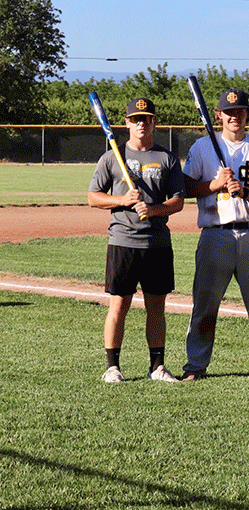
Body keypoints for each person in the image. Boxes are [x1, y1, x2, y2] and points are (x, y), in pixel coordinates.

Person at [181, 88, 249, 381]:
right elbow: (187, 188)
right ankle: (196, 365)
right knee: (205, 302)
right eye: (228, 112)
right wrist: (214, 185)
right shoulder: (203, 147)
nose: (234, 116)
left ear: (248, 115)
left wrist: (248, 193)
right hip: (216, 234)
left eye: (240, 111)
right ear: (218, 115)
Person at [87, 97, 185, 383]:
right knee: (119, 304)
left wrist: (153, 209)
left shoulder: (167, 158)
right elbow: (93, 197)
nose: (141, 123)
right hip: (123, 241)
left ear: (154, 122)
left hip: (157, 243)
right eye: (136, 119)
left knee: (157, 307)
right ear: (127, 123)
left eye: (147, 118)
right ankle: (112, 367)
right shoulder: (112, 157)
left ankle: (157, 367)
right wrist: (123, 199)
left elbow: (178, 201)